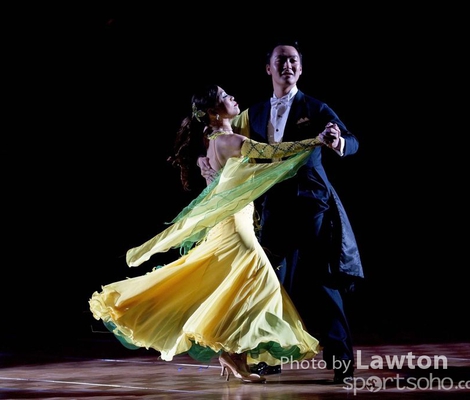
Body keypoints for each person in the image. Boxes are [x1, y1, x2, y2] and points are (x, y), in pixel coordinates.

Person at [89, 84, 325, 383]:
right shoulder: (230, 140)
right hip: (234, 225)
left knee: (230, 285)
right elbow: (272, 152)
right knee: (259, 283)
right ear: (214, 112)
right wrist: (316, 141)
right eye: (225, 97)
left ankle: (233, 354)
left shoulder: (211, 139)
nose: (233, 97)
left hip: (229, 223)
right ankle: (231, 351)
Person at [198, 40, 363, 384]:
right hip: (271, 207)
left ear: (300, 69)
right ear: (268, 68)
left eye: (293, 61)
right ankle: (267, 358)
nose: (287, 65)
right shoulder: (253, 113)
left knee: (319, 282)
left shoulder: (315, 108)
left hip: (311, 204)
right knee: (270, 283)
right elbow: (220, 133)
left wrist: (337, 141)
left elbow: (351, 140)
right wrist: (204, 159)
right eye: (280, 60)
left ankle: (342, 361)